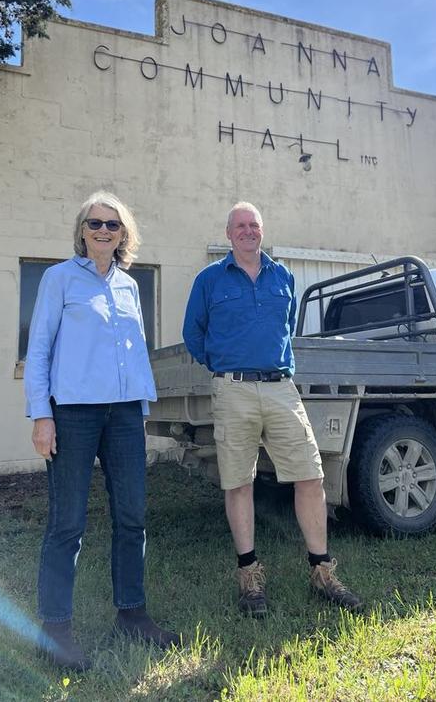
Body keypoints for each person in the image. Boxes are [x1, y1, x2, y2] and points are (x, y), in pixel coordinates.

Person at [182, 202, 362, 618]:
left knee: (310, 475)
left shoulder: (283, 276)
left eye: (254, 225)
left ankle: (322, 571)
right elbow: (193, 331)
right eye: (240, 226)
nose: (248, 231)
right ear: (229, 234)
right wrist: (220, 362)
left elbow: (287, 326)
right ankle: (249, 576)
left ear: (262, 231)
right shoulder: (209, 280)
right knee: (238, 482)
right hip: (234, 390)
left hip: (282, 388)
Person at [25, 191, 178, 671]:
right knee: (67, 522)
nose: (104, 231)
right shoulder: (59, 279)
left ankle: (132, 615)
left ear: (123, 234)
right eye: (95, 224)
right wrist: (41, 415)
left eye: (113, 225)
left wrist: (143, 405)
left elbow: (133, 352)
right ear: (82, 230)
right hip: (72, 413)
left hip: (126, 415)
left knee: (132, 517)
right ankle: (55, 629)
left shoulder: (129, 286)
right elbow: (40, 350)